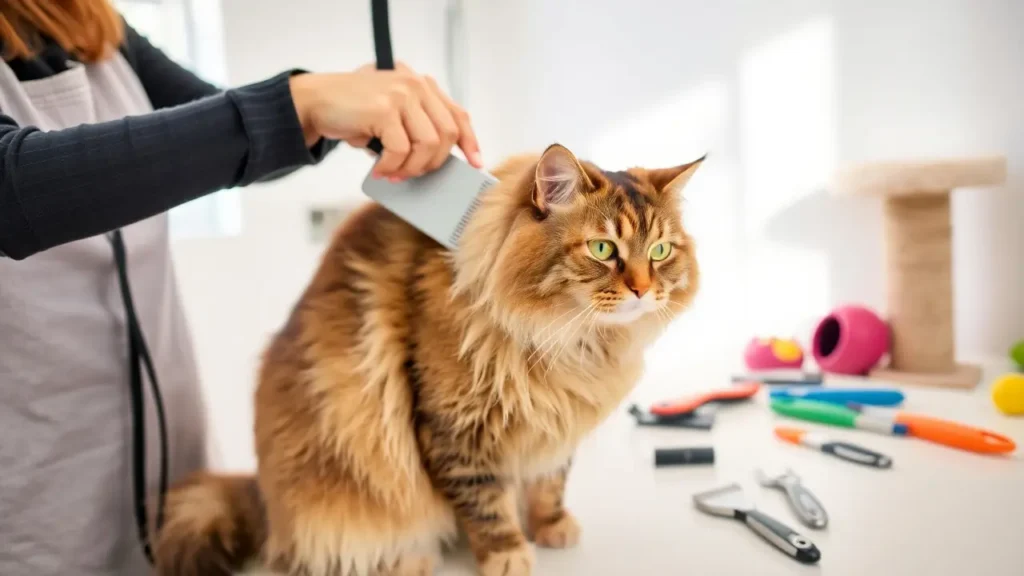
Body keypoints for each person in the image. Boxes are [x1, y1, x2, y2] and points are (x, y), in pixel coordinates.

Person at [0, 1, 483, 574]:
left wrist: (331, 105)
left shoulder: (85, 18)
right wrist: (299, 104)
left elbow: (224, 132)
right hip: (33, 480)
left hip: (166, 451)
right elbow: (15, 191)